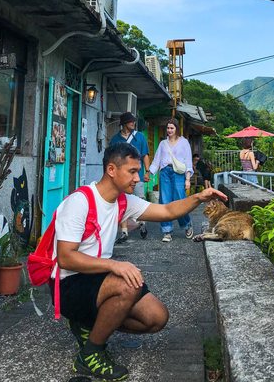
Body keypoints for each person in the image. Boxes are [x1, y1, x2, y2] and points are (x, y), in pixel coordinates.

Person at [53, 142, 227, 381]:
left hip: (97, 279)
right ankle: (91, 353)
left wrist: (198, 197)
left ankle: (88, 324)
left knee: (156, 318)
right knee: (129, 284)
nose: (137, 178)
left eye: (138, 171)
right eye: (132, 171)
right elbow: (65, 257)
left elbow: (167, 211)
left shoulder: (123, 201)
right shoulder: (80, 201)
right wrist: (115, 265)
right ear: (111, 170)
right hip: (68, 285)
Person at [148, 117, 194, 242]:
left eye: (172, 128)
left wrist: (187, 179)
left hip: (178, 173)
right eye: (168, 128)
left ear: (176, 129)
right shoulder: (163, 143)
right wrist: (150, 173)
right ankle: (167, 231)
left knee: (180, 200)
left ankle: (187, 224)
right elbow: (157, 160)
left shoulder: (184, 142)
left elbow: (188, 161)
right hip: (165, 173)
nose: (169, 130)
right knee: (165, 201)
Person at [110, 112, 150, 242]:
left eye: (133, 121)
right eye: (130, 121)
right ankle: (124, 231)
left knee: (140, 199)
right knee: (122, 201)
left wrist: (147, 171)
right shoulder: (115, 140)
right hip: (121, 177)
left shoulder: (140, 137)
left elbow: (145, 155)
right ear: (124, 123)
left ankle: (142, 224)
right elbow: (111, 159)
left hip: (137, 175)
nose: (133, 123)